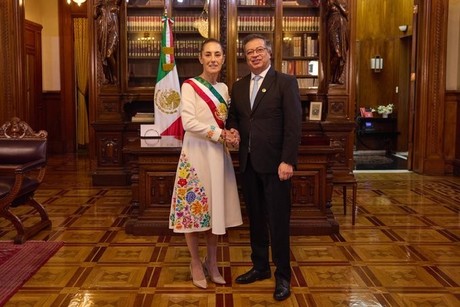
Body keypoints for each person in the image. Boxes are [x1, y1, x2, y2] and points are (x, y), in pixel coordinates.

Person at [226, 34, 302, 301]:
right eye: (249, 52)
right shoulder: (238, 86)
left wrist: (288, 160)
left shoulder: (285, 83)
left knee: (278, 222)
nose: (255, 55)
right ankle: (260, 267)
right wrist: (232, 130)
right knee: (256, 220)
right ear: (245, 57)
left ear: (269, 53)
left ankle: (283, 276)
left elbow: (294, 126)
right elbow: (234, 116)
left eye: (259, 50)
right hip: (248, 164)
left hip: (276, 166)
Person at [169, 38, 242, 289]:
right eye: (208, 54)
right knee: (194, 214)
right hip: (196, 156)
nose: (213, 59)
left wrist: (232, 134)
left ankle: (212, 262)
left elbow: (226, 121)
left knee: (215, 212)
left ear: (223, 58)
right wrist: (219, 134)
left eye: (218, 54)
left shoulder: (223, 88)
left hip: (219, 157)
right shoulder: (189, 86)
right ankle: (195, 262)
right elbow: (188, 123)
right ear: (200, 58)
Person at [94, 0, 121, 84]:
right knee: (104, 55)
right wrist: (98, 6)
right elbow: (94, 14)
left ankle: (117, 76)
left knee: (109, 53)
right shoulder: (101, 3)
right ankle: (109, 77)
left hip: (114, 30)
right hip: (103, 30)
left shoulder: (116, 2)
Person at [326, 0, 349, 84]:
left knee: (342, 54)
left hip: (342, 24)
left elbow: (346, 12)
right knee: (337, 53)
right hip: (332, 24)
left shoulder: (342, 1)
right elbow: (325, 14)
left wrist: (336, 2)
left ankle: (337, 78)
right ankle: (331, 76)